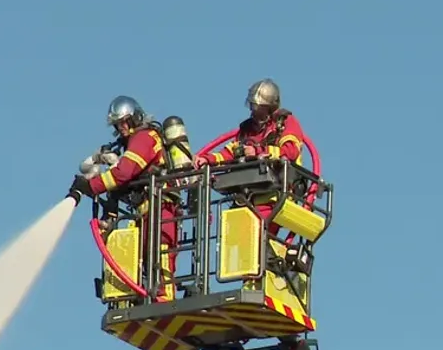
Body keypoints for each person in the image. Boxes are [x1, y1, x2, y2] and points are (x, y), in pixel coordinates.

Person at [67, 96, 179, 297]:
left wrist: (92, 186)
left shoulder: (145, 137)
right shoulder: (130, 143)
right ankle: (147, 297)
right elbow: (120, 182)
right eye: (118, 125)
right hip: (145, 213)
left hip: (161, 209)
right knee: (141, 257)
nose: (122, 128)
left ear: (135, 117)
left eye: (124, 122)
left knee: (160, 255)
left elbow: (123, 173)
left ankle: (165, 299)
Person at [193, 78, 306, 236]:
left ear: (269, 108)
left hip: (275, 196)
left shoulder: (286, 123)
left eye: (257, 107)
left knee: (256, 237)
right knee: (234, 235)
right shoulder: (248, 130)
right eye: (252, 106)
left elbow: (290, 151)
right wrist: (207, 159)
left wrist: (258, 151)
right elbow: (231, 152)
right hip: (248, 196)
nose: (252, 111)